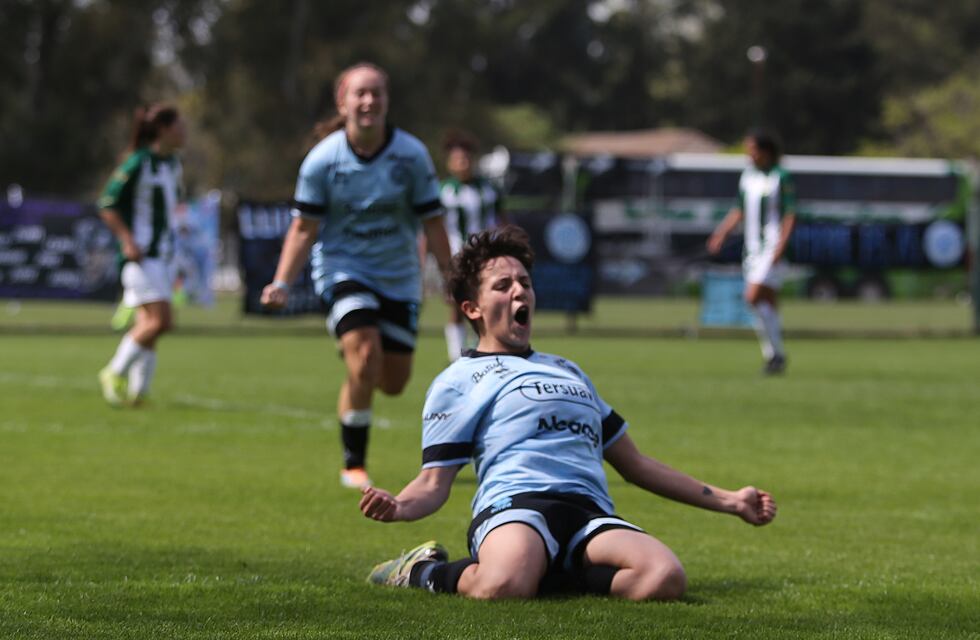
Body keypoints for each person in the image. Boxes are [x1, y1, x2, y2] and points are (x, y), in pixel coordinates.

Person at [359, 226, 777, 601]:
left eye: (524, 282)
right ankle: (422, 571)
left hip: (589, 512)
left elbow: (635, 465)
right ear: (472, 309)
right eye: (502, 285)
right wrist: (398, 506)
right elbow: (434, 482)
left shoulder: (567, 370)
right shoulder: (459, 379)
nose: (519, 292)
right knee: (504, 584)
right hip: (515, 505)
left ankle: (548, 573)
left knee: (663, 577)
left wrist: (732, 500)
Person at [261, 62, 452, 490]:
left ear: (387, 100)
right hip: (344, 269)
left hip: (400, 276)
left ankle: (356, 358)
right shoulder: (323, 161)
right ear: (342, 102)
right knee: (365, 358)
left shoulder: (411, 156)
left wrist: (453, 279)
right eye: (360, 93)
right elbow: (304, 227)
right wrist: (282, 282)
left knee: (394, 382)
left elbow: (433, 224)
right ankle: (354, 464)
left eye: (377, 93)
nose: (369, 102)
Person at [97, 104, 187, 407]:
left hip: (164, 256)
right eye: (179, 126)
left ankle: (139, 392)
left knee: (150, 323)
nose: (184, 131)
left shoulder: (173, 164)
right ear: (163, 129)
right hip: (142, 257)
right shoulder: (138, 162)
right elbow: (107, 204)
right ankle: (113, 371)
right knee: (161, 321)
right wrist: (127, 240)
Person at [707, 129, 797, 375]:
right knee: (766, 304)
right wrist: (721, 233)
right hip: (753, 250)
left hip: (771, 247)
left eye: (753, 150)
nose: (749, 155)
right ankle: (775, 356)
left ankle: (775, 355)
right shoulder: (748, 176)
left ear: (765, 152)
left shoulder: (781, 177)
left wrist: (781, 246)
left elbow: (790, 214)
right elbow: (739, 209)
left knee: (752, 297)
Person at [438, 129, 506, 361]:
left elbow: (501, 221)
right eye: (457, 159)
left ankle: (484, 348)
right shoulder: (443, 191)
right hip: (457, 255)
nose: (462, 163)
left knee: (487, 302)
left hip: (487, 257)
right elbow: (434, 229)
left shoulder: (488, 190)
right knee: (457, 304)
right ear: (449, 163)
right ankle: (456, 355)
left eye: (466, 159)